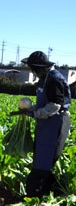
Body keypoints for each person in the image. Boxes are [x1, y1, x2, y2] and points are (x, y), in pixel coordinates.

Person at [12, 51, 71, 197]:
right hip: (45, 123)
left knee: (44, 161)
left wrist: (34, 114)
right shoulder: (44, 78)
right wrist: (31, 109)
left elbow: (54, 106)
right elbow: (43, 103)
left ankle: (37, 195)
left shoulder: (54, 79)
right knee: (40, 158)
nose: (32, 71)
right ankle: (39, 194)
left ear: (39, 68)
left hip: (55, 122)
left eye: (33, 69)